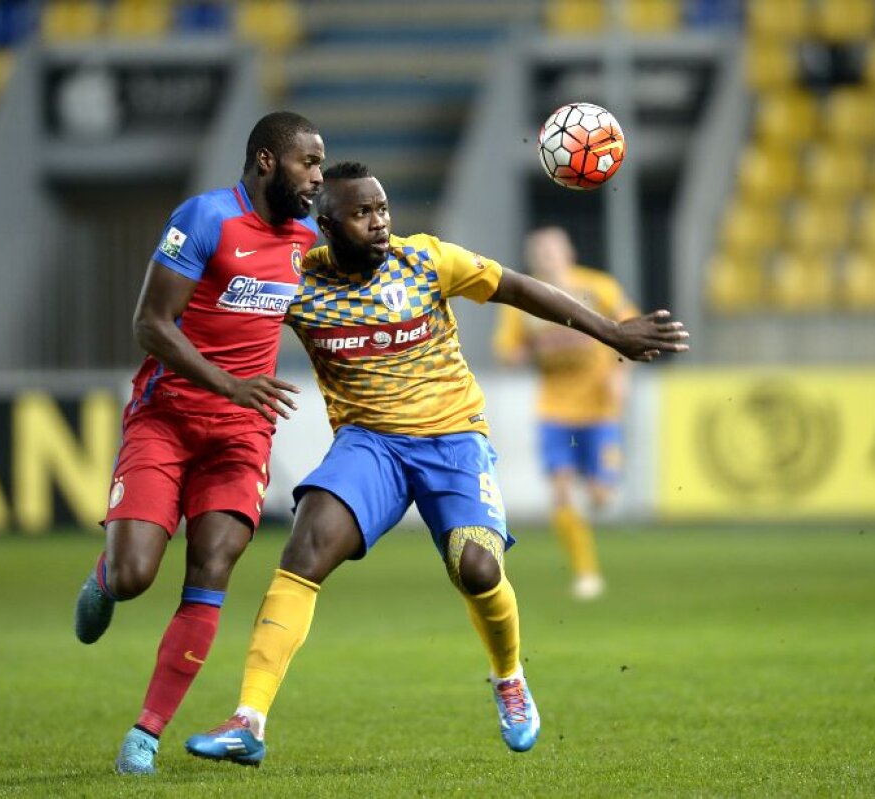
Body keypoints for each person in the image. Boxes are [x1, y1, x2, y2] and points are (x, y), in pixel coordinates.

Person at [183, 162, 688, 766]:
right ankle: (249, 720)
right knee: (305, 548)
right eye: (362, 214)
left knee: (475, 567)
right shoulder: (297, 283)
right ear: (326, 225)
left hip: (453, 438)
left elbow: (516, 287)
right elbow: (219, 311)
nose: (379, 224)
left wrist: (610, 333)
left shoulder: (424, 260)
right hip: (370, 442)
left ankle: (509, 678)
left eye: (384, 210)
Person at [70, 111, 324, 775]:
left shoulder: (307, 239)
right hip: (168, 415)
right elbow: (149, 324)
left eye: (322, 165)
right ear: (268, 160)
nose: (317, 177)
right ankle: (104, 576)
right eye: (308, 163)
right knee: (134, 574)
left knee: (213, 565)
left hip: (242, 431)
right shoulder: (207, 217)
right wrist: (228, 382)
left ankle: (144, 735)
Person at [493, 227, 638, 600]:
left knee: (601, 495)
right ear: (533, 259)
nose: (548, 257)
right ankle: (586, 572)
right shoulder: (528, 299)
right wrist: (523, 352)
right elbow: (507, 350)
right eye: (540, 252)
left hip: (599, 408)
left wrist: (620, 373)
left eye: (553, 250)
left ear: (568, 251)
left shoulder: (599, 287)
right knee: (560, 490)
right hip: (555, 409)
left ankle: (597, 494)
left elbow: (630, 329)